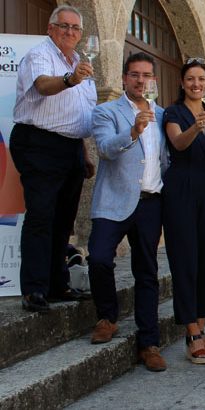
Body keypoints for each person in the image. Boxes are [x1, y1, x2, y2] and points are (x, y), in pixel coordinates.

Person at [10, 4, 96, 312]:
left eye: (75, 28)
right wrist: (70, 80)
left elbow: (80, 114)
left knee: (63, 221)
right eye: (64, 26)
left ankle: (58, 284)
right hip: (39, 143)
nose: (70, 32)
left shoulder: (82, 65)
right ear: (51, 29)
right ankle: (34, 289)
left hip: (70, 147)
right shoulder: (40, 55)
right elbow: (44, 86)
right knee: (41, 216)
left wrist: (83, 151)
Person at [87, 52, 167, 371]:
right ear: (123, 78)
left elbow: (168, 159)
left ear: (154, 81)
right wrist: (133, 131)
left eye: (147, 75)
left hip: (151, 202)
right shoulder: (106, 111)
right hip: (113, 199)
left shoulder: (163, 115)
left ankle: (149, 343)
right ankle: (107, 316)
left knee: (147, 271)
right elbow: (105, 149)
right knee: (99, 257)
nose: (140, 80)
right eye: (134, 74)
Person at [162, 58, 205, 365]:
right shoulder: (173, 112)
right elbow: (177, 143)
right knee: (184, 258)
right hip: (180, 188)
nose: (196, 84)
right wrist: (194, 127)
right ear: (182, 82)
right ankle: (191, 331)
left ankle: (200, 323)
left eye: (201, 79)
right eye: (190, 79)